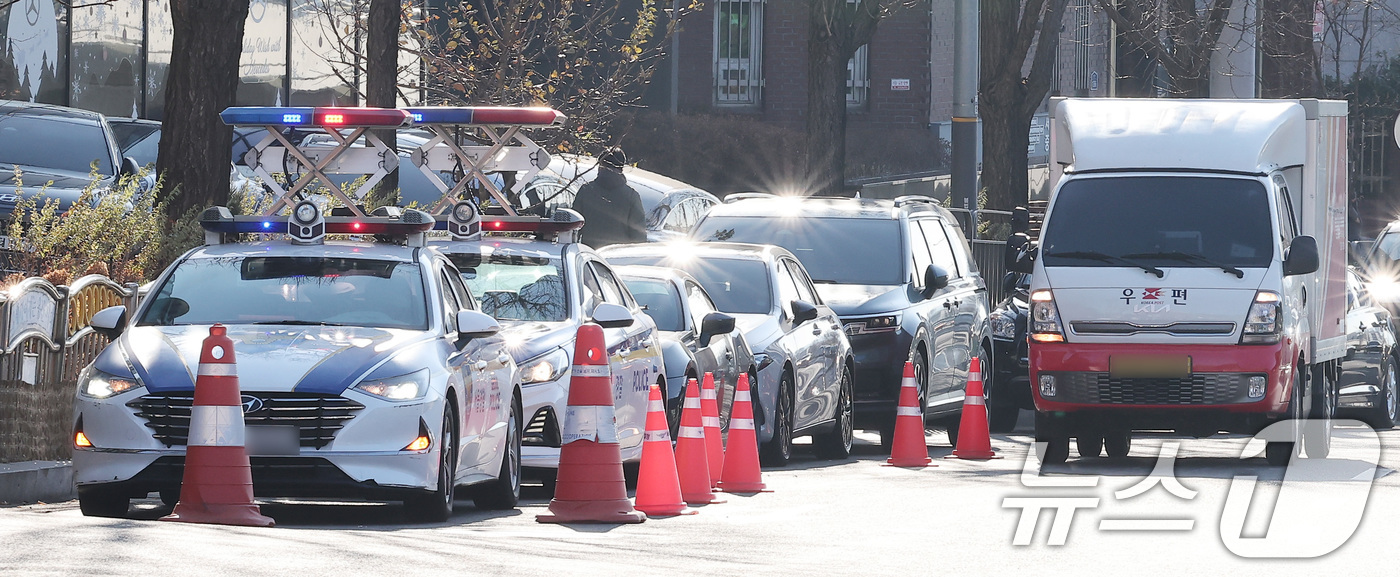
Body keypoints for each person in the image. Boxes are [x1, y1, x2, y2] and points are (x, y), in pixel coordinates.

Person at [570, 147, 646, 247]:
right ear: (621, 168)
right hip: (618, 258)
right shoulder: (631, 196)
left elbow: (572, 228)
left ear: (600, 165)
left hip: (590, 256)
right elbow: (639, 237)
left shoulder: (586, 190)